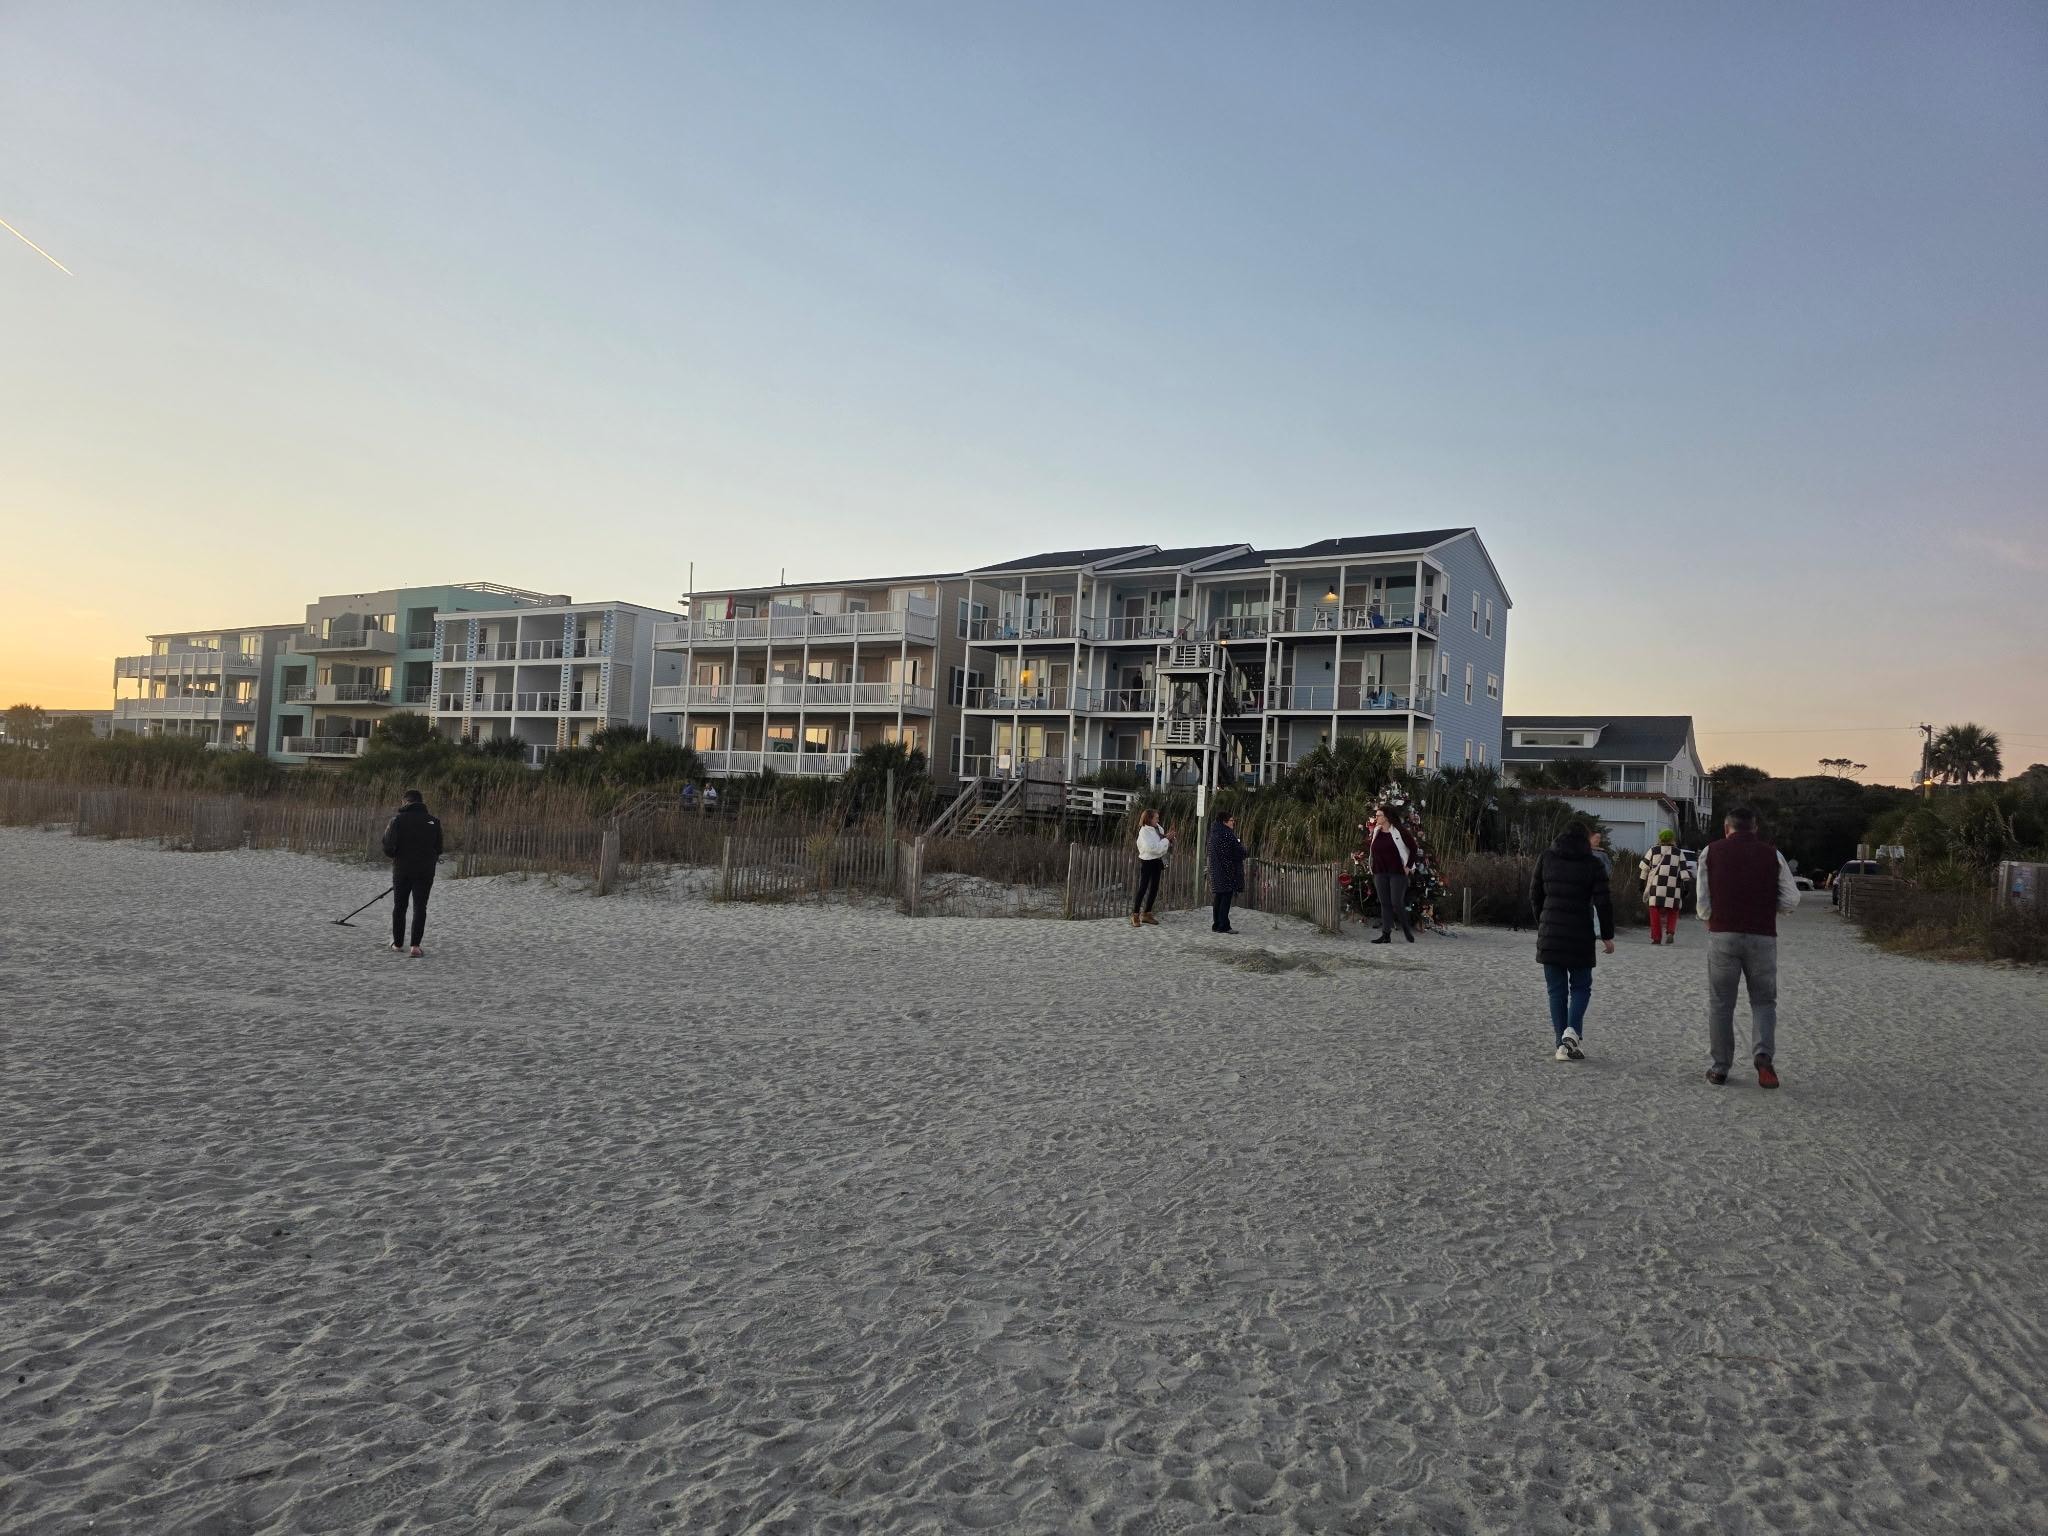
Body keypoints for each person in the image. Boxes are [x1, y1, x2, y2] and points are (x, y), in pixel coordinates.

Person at [1697, 804, 1802, 1089]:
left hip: (1723, 935)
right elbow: (1792, 899)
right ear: (1755, 828)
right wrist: (1771, 909)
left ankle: (1720, 1068)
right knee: (1764, 1001)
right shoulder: (1772, 853)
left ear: (1726, 828)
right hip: (1763, 937)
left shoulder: (1711, 851)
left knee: (1720, 1003)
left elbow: (1703, 899)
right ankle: (1764, 1058)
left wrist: (1710, 919)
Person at [1529, 821, 1615, 1062]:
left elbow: (1534, 895)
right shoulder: (1593, 864)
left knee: (1556, 991)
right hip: (1580, 933)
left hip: (1551, 933)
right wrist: (1607, 935)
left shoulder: (1546, 858)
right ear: (1586, 840)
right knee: (1581, 987)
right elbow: (1603, 902)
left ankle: (1562, 1043)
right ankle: (1572, 1035)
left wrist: (1543, 922)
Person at [380, 788, 443, 958]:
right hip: (425, 870)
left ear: (405, 801)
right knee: (420, 907)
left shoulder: (397, 820)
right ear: (421, 802)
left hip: (402, 869)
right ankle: (415, 946)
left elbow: (387, 845)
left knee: (400, 906)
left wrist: (395, 856)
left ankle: (398, 943)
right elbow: (439, 848)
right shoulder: (434, 821)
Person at [1366, 805, 1416, 944]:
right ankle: (1386, 935)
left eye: (1379, 815)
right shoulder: (1376, 831)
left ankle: (1406, 929)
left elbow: (1413, 848)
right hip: (1380, 872)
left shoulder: (1399, 832)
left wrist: (1408, 867)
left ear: (1386, 817)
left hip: (1397, 873)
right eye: (1376, 815)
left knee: (1396, 902)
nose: (1376, 818)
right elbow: (1373, 850)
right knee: (1385, 904)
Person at [1639, 829, 1690, 945]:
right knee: (1673, 910)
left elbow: (1644, 869)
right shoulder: (1678, 853)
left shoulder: (1653, 850)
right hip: (1673, 888)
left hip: (1656, 887)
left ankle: (1656, 938)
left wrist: (1641, 884)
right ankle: (1670, 932)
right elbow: (1684, 872)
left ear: (1660, 838)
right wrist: (1686, 887)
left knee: (1654, 911)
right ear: (1672, 838)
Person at [1132, 810, 1173, 927]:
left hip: (1157, 860)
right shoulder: (1144, 832)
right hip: (1147, 861)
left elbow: (1161, 846)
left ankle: (1147, 913)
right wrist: (1166, 840)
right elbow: (1152, 848)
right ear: (1149, 819)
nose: (1158, 820)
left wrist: (1168, 839)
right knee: (1143, 887)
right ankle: (1135, 915)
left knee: (1154, 887)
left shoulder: (1158, 828)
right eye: (1156, 818)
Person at [1208, 813, 1247, 933]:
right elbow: (1238, 851)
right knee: (1226, 897)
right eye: (1231, 820)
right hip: (1227, 869)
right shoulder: (1227, 834)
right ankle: (1224, 925)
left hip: (1216, 869)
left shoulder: (1213, 834)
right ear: (1224, 822)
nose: (1233, 822)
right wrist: (1245, 850)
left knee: (1219, 897)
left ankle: (1217, 924)